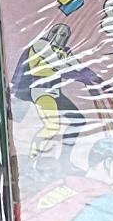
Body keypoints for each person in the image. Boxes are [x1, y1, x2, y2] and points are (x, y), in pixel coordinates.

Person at [14, 22, 101, 163]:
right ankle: (32, 161)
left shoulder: (65, 52)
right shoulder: (41, 45)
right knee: (52, 127)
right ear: (50, 32)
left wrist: (99, 81)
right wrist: (84, 80)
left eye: (63, 35)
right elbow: (59, 66)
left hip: (56, 93)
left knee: (78, 120)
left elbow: (78, 66)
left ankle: (64, 159)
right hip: (42, 91)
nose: (58, 37)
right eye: (55, 32)